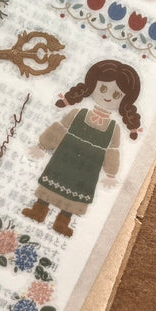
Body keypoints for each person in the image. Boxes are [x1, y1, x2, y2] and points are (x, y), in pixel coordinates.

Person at [22, 59, 142, 237]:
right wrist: (43, 146)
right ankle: (38, 210)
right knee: (53, 182)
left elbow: (113, 151)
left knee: (76, 193)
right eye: (103, 88)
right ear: (93, 85)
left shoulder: (113, 128)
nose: (108, 97)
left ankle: (63, 222)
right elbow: (60, 129)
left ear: (125, 100)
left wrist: (111, 174)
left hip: (88, 167)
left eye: (117, 95)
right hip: (65, 157)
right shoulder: (78, 113)